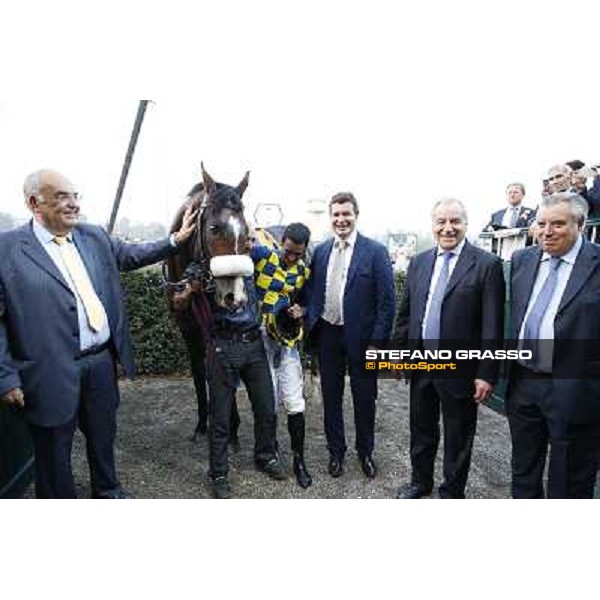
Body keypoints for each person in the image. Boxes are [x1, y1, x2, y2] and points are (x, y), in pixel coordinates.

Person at [0, 169, 198, 499]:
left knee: (103, 436)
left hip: (100, 365)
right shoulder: (7, 249)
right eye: (63, 197)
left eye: (75, 195)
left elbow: (133, 256)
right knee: (53, 455)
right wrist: (6, 377)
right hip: (46, 371)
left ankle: (108, 492)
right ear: (34, 202)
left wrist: (175, 241)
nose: (74, 204)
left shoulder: (93, 236)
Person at [394, 198, 505, 499]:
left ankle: (452, 493)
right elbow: (406, 314)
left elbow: (492, 327)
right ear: (432, 225)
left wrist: (486, 374)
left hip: (461, 369)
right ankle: (420, 482)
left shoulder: (487, 265)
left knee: (458, 437)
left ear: (465, 224)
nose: (448, 228)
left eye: (454, 221)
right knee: (421, 430)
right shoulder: (419, 262)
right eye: (441, 222)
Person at [506, 192, 600, 498]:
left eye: (557, 224)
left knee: (570, 480)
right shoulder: (523, 259)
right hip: (523, 383)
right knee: (523, 471)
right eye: (541, 223)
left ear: (580, 224)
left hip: (575, 390)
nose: (546, 232)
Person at [306, 192, 395, 479]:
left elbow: (386, 303)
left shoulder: (375, 251)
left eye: (346, 214)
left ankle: (365, 452)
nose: (341, 219)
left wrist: (377, 345)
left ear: (356, 215)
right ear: (331, 217)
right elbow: (310, 292)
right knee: (331, 397)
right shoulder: (319, 252)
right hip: (328, 335)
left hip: (363, 339)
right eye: (336, 214)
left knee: (364, 397)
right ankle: (336, 452)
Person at [250, 222, 313, 488]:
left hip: (287, 340)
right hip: (262, 340)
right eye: (288, 251)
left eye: (297, 254)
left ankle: (299, 460)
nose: (291, 258)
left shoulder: (303, 270)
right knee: (269, 400)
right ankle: (267, 453)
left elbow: (308, 300)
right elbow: (238, 249)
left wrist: (303, 310)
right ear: (281, 242)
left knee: (295, 400)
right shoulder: (264, 255)